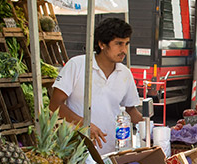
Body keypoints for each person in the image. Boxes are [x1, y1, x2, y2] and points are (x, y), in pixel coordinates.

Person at [49, 17, 143, 155]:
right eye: (119, 44)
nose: (124, 50)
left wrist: (152, 128)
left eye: (126, 44)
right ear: (102, 44)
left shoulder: (125, 73)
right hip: (78, 150)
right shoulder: (77, 65)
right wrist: (85, 124)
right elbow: (55, 104)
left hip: (112, 151)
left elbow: (130, 110)